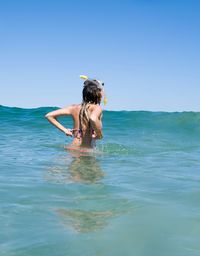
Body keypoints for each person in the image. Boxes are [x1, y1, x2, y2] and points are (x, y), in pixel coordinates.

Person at [45, 77, 105, 151]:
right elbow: (93, 118)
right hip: (86, 150)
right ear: (98, 93)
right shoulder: (96, 108)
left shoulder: (73, 107)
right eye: (102, 90)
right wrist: (99, 134)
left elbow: (49, 115)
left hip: (72, 148)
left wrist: (65, 130)